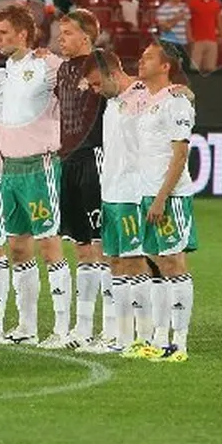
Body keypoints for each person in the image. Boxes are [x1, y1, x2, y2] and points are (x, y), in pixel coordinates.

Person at [0, 4, 67, 348]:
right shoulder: (7, 69)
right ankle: (26, 326)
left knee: (49, 245)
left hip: (40, 166)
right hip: (9, 168)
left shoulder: (47, 65)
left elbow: (85, 76)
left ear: (22, 34)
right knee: (18, 248)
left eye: (4, 33)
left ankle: (62, 330)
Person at [79, 48, 148, 355]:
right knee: (114, 263)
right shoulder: (113, 102)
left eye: (97, 83)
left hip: (134, 195)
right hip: (111, 194)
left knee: (135, 262)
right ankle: (120, 337)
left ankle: (143, 336)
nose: (95, 90)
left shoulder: (144, 97)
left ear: (113, 74)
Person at [136, 42, 198, 362]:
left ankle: (180, 343)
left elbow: (180, 155)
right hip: (146, 193)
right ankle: (160, 339)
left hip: (169, 197)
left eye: (148, 58)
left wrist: (161, 198)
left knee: (173, 263)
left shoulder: (176, 103)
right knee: (155, 265)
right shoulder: (146, 99)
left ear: (165, 67)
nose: (140, 61)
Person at [53, 9, 111, 349]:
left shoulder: (100, 65)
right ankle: (84, 328)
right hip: (68, 162)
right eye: (60, 33)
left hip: (94, 158)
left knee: (102, 247)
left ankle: (111, 329)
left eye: (67, 33)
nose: (60, 39)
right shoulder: (63, 69)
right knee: (82, 247)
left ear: (85, 37)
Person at [186, 0, 222, 73]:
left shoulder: (216, 3)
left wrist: (221, 34)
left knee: (210, 69)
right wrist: (189, 36)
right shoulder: (193, 2)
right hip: (197, 39)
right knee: (195, 68)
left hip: (212, 39)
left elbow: (219, 20)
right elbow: (187, 20)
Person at [156, 0, 191, 67]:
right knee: (170, 67)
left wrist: (189, 39)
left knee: (184, 67)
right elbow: (164, 28)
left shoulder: (184, 7)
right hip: (169, 42)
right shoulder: (162, 9)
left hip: (183, 43)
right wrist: (177, 18)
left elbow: (187, 25)